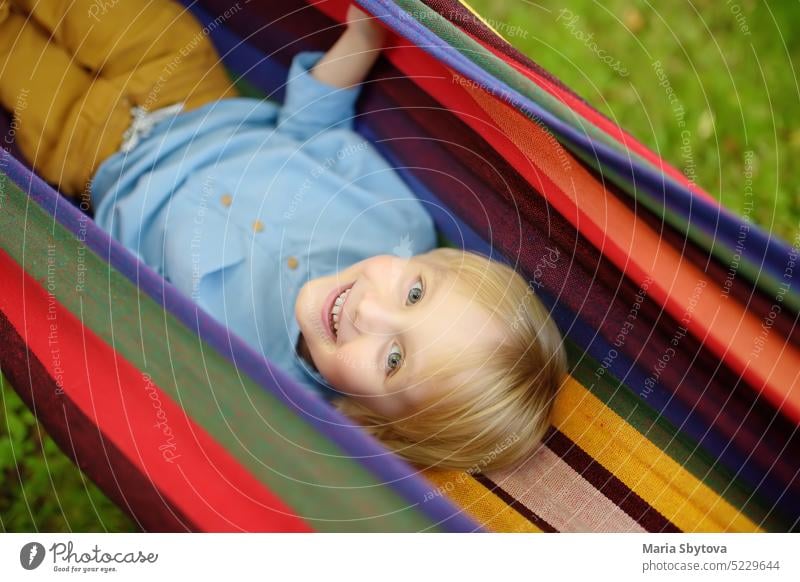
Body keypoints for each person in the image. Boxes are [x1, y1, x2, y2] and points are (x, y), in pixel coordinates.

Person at [0, 0, 567, 472]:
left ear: (368, 420)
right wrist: (362, 41)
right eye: (415, 293)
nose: (371, 313)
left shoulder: (253, 383)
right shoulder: (397, 223)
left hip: (89, 153)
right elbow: (312, 126)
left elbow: (126, 314)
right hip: (184, 84)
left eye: (393, 359)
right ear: (437, 259)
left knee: (14, 59)